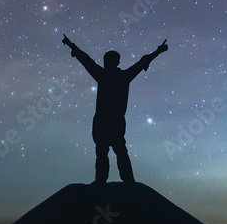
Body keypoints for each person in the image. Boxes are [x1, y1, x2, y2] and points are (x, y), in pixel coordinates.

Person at [62, 34, 168, 183]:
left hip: (105, 122)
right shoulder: (121, 76)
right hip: (111, 122)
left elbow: (87, 61)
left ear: (114, 62)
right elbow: (142, 62)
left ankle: (109, 182)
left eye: (108, 60)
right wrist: (158, 51)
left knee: (110, 152)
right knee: (114, 152)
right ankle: (123, 182)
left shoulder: (106, 76)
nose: (106, 63)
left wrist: (72, 46)